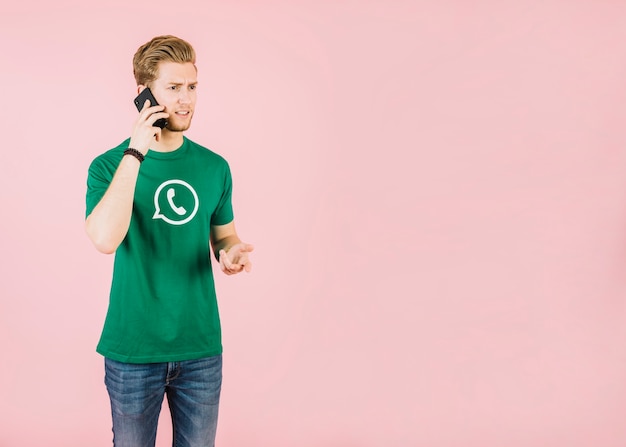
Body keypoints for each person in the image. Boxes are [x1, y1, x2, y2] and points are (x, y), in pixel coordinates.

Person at [85, 35, 253, 447]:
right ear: (143, 94)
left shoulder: (214, 167)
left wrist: (230, 252)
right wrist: (136, 152)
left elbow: (223, 234)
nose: (186, 100)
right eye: (173, 88)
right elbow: (105, 239)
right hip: (133, 349)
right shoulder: (108, 166)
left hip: (200, 348)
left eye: (192, 87)